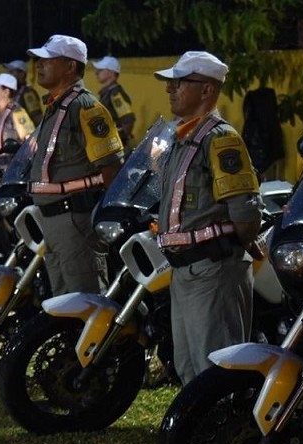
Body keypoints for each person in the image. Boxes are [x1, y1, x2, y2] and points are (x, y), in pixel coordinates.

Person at [152, 51, 263, 385]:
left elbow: (245, 215)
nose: (171, 89)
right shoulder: (183, 139)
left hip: (212, 268)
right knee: (189, 367)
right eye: (171, 83)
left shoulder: (221, 139)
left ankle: (223, 435)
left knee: (215, 369)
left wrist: (228, 248)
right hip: (186, 269)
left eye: (181, 82)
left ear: (207, 90)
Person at [25, 34, 124, 295]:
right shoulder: (56, 106)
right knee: (63, 302)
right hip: (53, 220)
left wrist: (102, 216)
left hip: (75, 221)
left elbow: (111, 168)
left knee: (83, 298)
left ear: (70, 66)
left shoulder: (86, 107)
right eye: (39, 60)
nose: (39, 65)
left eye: (48, 60)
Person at [0, 73, 34, 167]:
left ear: (6, 92)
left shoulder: (17, 112)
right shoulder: (0, 113)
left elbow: (30, 141)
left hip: (11, 167)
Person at [92, 56, 136, 147]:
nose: (96, 73)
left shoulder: (115, 94)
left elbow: (128, 120)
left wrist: (118, 143)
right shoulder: (107, 93)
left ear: (111, 73)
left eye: (100, 70)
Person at [4, 60, 42, 125]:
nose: (9, 75)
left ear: (22, 74)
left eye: (12, 72)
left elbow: (36, 116)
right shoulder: (14, 92)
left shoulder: (28, 93)